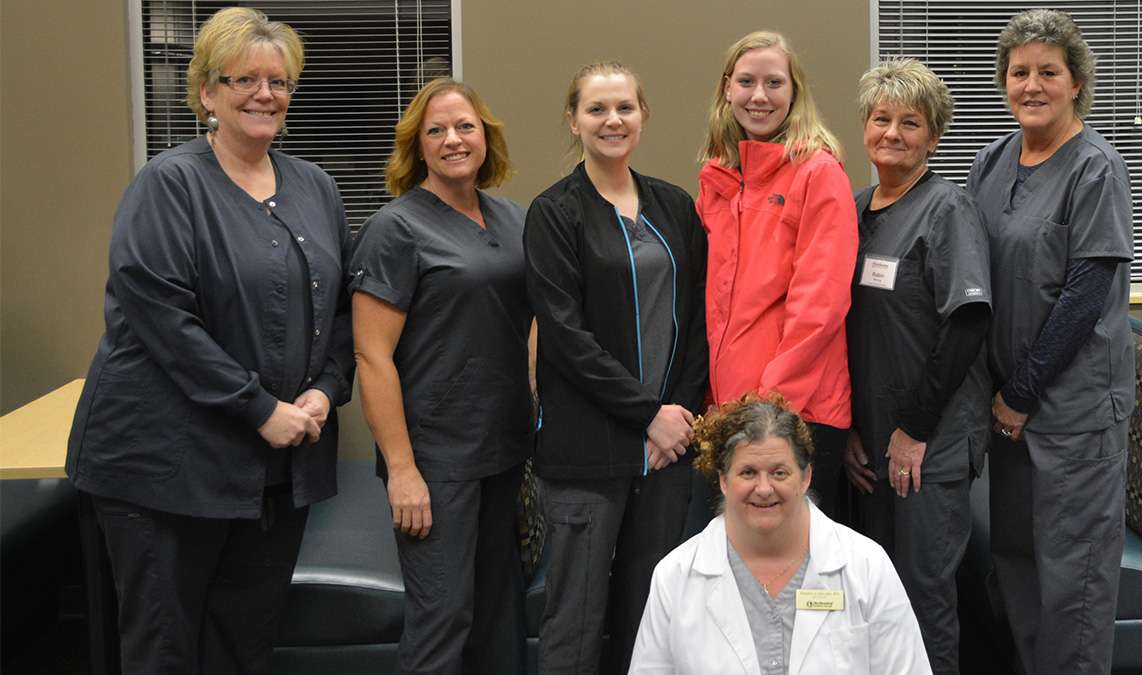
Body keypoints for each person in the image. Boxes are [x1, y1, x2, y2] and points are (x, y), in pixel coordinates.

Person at [64, 7, 353, 674]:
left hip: (276, 475)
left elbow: (339, 312)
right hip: (164, 469)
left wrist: (323, 391)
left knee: (243, 648)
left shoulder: (316, 187)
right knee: (165, 651)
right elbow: (165, 322)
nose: (264, 94)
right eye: (244, 79)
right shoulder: (168, 185)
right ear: (206, 93)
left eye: (279, 82)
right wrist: (261, 409)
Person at [524, 61, 708, 675]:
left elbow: (700, 319)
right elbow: (566, 337)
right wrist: (646, 414)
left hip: (668, 451)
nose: (612, 120)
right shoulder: (555, 213)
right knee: (574, 619)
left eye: (624, 108)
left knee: (650, 616)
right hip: (586, 452)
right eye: (597, 109)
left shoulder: (674, 206)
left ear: (644, 117)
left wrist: (676, 416)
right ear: (574, 121)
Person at [967, 10, 1135, 674]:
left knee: (1074, 581)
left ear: (1075, 84)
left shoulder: (1096, 168)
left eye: (1047, 72)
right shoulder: (992, 160)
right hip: (1008, 410)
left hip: (1071, 415)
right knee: (1014, 560)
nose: (1030, 85)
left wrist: (1023, 392)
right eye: (1019, 72)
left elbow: (1084, 295)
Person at [350, 78, 531, 675]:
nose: (453, 139)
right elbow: (371, 357)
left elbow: (526, 326)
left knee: (498, 617)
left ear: (486, 137)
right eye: (437, 131)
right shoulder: (396, 229)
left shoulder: (511, 217)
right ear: (417, 147)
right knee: (442, 619)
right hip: (435, 461)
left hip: (504, 452)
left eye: (465, 127)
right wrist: (402, 470)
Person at [841, 59, 992, 675]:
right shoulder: (853, 209)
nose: (893, 134)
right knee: (872, 593)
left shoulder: (947, 210)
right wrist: (850, 427)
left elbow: (967, 324)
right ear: (865, 127)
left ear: (934, 137)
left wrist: (914, 429)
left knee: (924, 595)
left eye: (911, 123)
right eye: (882, 119)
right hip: (868, 438)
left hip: (929, 440)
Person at [630, 393, 932, 674]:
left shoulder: (865, 566)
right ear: (723, 480)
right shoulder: (676, 576)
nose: (763, 489)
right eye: (748, 472)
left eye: (779, 472)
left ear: (806, 477)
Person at [698, 31, 858, 523]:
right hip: (732, 414)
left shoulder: (818, 173)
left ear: (795, 92)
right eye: (746, 81)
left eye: (774, 82)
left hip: (795, 413)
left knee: (798, 577)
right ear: (727, 89)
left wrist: (767, 406)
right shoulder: (717, 179)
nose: (759, 95)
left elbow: (820, 303)